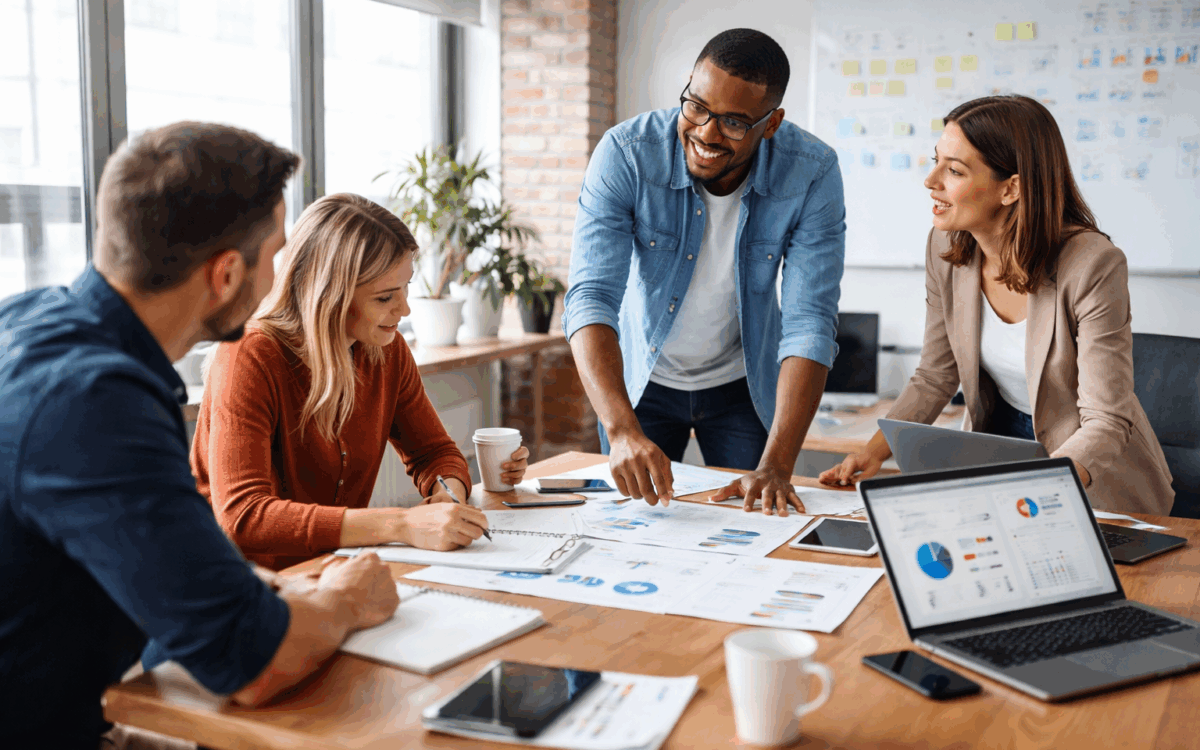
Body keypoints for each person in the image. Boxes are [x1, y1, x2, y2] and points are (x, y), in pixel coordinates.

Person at [0, 122, 400, 750]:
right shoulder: (95, 404)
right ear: (225, 275)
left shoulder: (33, 324)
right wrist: (347, 599)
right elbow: (253, 663)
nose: (282, 278)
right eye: (276, 256)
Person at [820, 95, 1174, 516]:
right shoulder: (945, 247)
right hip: (999, 441)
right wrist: (875, 451)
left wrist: (1040, 488)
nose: (930, 180)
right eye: (937, 161)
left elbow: (1105, 420)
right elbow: (936, 374)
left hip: (1089, 465)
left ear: (1012, 188)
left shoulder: (1092, 264)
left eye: (954, 170)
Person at [563, 28, 846, 516]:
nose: (706, 133)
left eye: (735, 122)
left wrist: (778, 464)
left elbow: (809, 322)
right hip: (640, 381)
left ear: (771, 123)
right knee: (634, 524)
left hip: (741, 385)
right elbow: (591, 296)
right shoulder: (627, 153)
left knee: (759, 516)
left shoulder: (812, 171)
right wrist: (621, 430)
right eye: (696, 106)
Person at [192, 192, 529, 571]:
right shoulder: (249, 356)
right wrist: (400, 524)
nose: (404, 309)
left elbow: (434, 454)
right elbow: (244, 517)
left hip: (331, 569)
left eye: (406, 288)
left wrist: (447, 497)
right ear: (328, 296)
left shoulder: (386, 349)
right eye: (385, 297)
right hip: (241, 582)